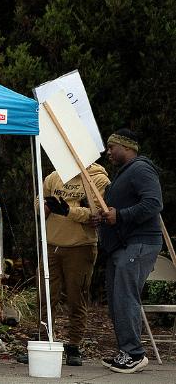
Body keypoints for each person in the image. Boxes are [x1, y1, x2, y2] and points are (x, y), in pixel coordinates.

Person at [93, 129, 163, 374]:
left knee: (125, 297)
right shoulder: (124, 173)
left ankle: (134, 353)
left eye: (113, 147)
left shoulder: (141, 169)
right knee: (115, 299)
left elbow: (154, 203)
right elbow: (121, 210)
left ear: (127, 147)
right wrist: (105, 217)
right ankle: (126, 351)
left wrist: (120, 215)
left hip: (139, 243)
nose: (109, 152)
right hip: (123, 245)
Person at [41, 164, 110, 366]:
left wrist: (67, 210)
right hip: (51, 244)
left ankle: (73, 345)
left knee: (76, 296)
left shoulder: (97, 179)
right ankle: (44, 342)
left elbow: (96, 213)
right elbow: (39, 200)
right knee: (45, 295)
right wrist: (44, 206)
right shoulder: (54, 176)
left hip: (80, 246)